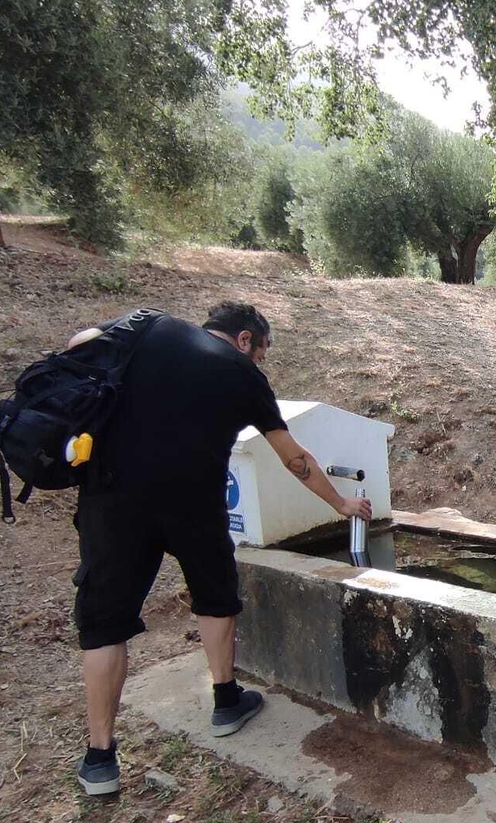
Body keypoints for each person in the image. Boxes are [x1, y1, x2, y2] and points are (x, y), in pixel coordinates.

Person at [68, 301, 372, 796]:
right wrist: (339, 503)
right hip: (192, 503)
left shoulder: (149, 326)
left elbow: (79, 343)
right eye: (262, 353)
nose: (260, 365)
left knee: (103, 628)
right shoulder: (239, 372)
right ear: (246, 339)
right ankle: (226, 700)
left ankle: (100, 757)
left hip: (111, 501)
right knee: (215, 599)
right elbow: (293, 457)